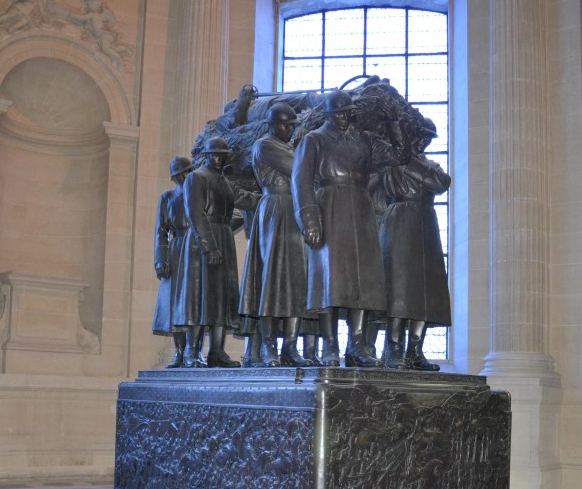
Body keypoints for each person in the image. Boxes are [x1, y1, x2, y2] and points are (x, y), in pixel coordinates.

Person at [291, 90, 409, 367]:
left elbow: (399, 155)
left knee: (363, 280)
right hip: (330, 206)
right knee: (330, 281)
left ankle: (356, 346)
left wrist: (394, 123)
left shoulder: (363, 139)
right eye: (338, 114)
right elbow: (301, 182)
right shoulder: (315, 139)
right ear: (329, 114)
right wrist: (309, 220)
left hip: (361, 208)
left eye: (347, 113)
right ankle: (330, 346)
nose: (343, 118)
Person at [239, 103, 316, 367]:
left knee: (297, 278)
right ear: (272, 125)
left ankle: (290, 347)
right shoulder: (266, 145)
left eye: (291, 126)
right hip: (275, 209)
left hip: (293, 209)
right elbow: (299, 171)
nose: (288, 129)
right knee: (272, 278)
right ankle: (268, 347)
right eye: (284, 125)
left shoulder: (291, 146)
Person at [174, 137, 259, 367]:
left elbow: (246, 199)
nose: (219, 158)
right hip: (202, 242)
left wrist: (276, 197)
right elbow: (195, 213)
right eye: (215, 154)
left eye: (223, 154)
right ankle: (192, 352)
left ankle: (217, 352)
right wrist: (209, 246)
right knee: (197, 296)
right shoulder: (196, 177)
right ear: (208, 155)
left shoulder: (225, 181)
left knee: (222, 297)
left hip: (223, 237)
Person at [377, 119, 451, 370]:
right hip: (401, 221)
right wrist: (406, 158)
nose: (423, 143)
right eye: (419, 137)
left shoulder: (427, 164)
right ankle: (393, 348)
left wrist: (410, 159)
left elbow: (442, 183)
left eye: (427, 139)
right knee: (400, 287)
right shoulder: (393, 161)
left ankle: (415, 351)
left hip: (426, 223)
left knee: (426, 290)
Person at [152, 156, 193, 367]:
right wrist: (160, 259)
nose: (185, 177)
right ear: (175, 177)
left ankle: (192, 351)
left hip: (195, 247)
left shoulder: (198, 194)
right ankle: (179, 351)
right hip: (176, 249)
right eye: (182, 173)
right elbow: (160, 231)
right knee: (175, 302)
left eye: (188, 172)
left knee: (193, 300)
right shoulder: (167, 198)